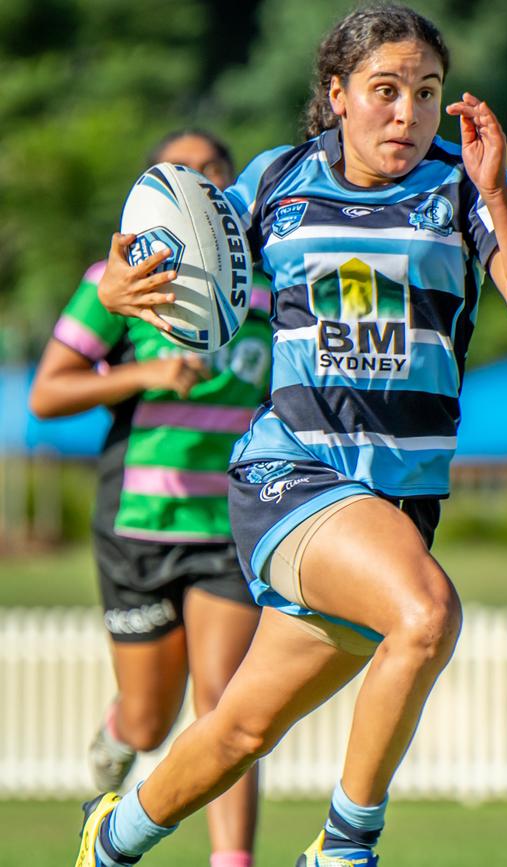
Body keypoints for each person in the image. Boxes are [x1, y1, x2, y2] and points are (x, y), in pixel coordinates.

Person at [74, 5, 507, 866]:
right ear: (337, 95)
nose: (407, 114)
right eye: (385, 91)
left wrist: (496, 194)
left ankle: (109, 838)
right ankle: (345, 849)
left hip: (395, 509)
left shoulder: (465, 188)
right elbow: (175, 253)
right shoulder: (276, 181)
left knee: (239, 728)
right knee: (426, 614)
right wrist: (125, 282)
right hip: (292, 478)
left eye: (426, 93)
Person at [30, 129, 272, 867]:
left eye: (213, 170)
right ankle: (118, 736)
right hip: (138, 522)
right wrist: (142, 376)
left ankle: (231, 861)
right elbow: (48, 393)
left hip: (229, 518)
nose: (199, 182)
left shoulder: (270, 283)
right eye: (181, 170)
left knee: (227, 702)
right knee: (148, 720)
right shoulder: (121, 281)